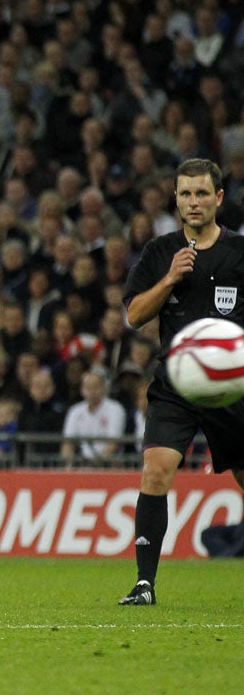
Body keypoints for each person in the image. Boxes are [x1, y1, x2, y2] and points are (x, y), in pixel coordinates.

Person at [119, 157, 244, 606]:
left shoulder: (239, 255)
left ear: (219, 198)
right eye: (185, 194)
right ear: (175, 198)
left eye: (202, 193)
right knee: (155, 471)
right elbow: (133, 315)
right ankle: (144, 583)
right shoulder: (159, 253)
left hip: (232, 388)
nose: (194, 201)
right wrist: (170, 277)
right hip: (176, 384)